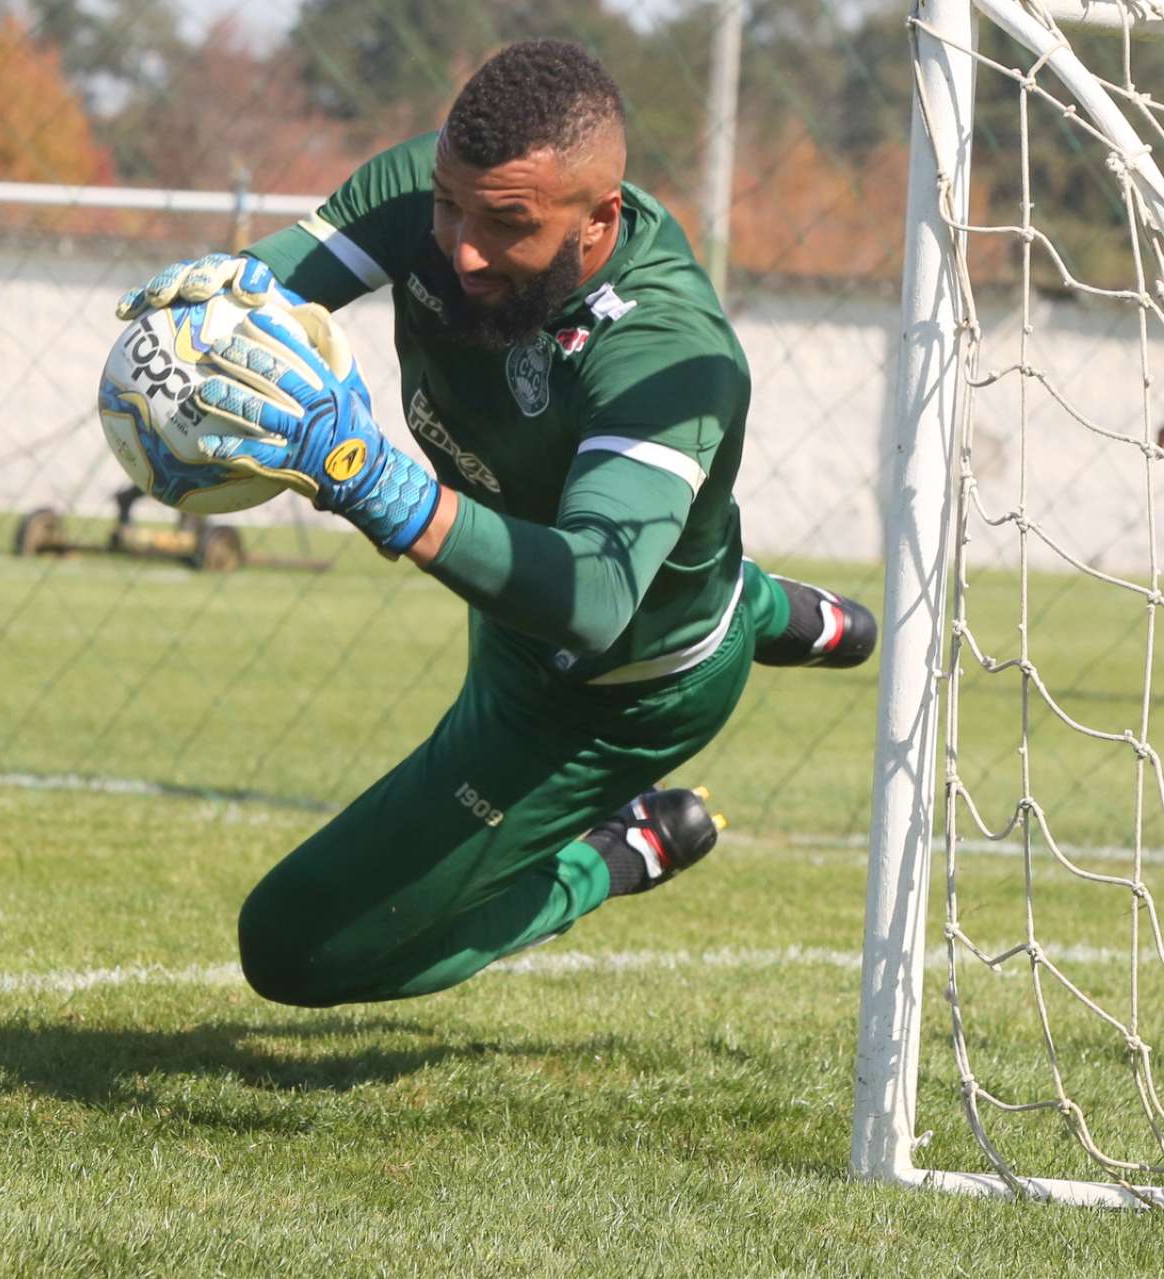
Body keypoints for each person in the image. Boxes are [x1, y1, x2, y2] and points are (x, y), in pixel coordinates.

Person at [114, 39, 875, 1007]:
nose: (459, 247)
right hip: (515, 603)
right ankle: (764, 605)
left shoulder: (668, 354)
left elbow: (593, 597)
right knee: (677, 552)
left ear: (599, 220)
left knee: (292, 949)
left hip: (612, 693)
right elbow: (266, 295)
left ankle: (612, 855)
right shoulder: (444, 190)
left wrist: (371, 482)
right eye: (448, 207)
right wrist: (211, 313)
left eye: (505, 225)